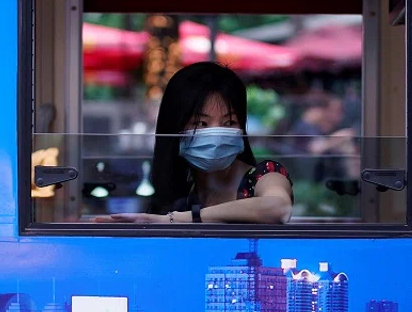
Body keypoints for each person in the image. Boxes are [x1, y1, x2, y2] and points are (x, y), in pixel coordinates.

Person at [94, 62, 293, 224]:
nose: (216, 133)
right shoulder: (186, 190)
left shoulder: (264, 175)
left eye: (229, 122)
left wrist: (178, 219)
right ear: (176, 128)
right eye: (201, 123)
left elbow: (279, 208)